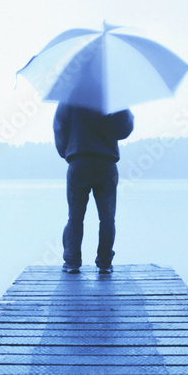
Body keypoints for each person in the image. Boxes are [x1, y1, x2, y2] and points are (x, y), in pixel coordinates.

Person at [53, 103, 133, 274]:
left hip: (78, 161)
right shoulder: (111, 96)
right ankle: (104, 263)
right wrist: (125, 108)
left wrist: (65, 152)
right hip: (106, 164)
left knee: (74, 217)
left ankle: (72, 262)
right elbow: (124, 130)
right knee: (107, 218)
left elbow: (59, 125)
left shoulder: (70, 96)